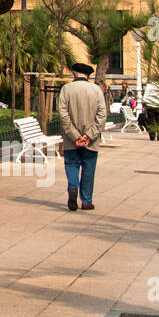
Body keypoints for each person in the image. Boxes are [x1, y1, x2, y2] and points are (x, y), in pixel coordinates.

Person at [57, 61, 108, 211]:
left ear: (74, 73)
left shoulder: (66, 89)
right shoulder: (96, 90)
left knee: (72, 164)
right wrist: (89, 136)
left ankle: (73, 188)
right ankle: (86, 201)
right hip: (90, 141)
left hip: (71, 139)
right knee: (88, 168)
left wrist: (74, 136)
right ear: (88, 75)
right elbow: (102, 115)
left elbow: (63, 114)